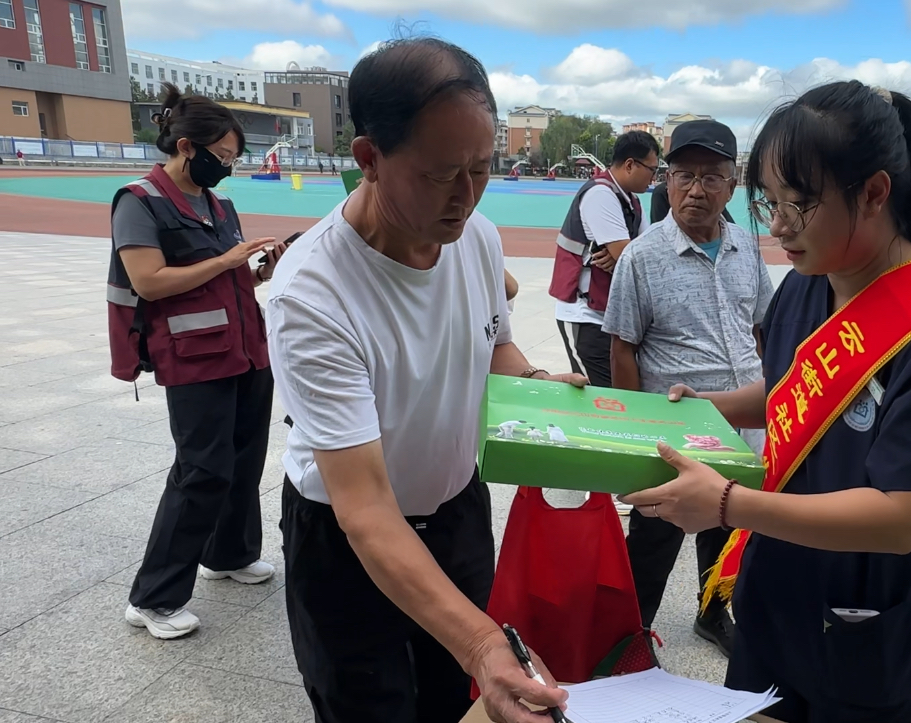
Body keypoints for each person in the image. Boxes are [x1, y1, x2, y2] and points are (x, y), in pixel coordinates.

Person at [621, 81, 911, 723]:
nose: (777, 227)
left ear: (875, 193)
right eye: (768, 202)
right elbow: (790, 393)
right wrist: (711, 404)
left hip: (869, 618)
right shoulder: (809, 281)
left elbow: (901, 518)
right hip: (779, 587)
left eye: (798, 205)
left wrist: (726, 504)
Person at [265, 38, 581, 723]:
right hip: (349, 538)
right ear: (369, 158)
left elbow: (492, 344)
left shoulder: (477, 237)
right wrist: (482, 644)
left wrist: (538, 383)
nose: (465, 197)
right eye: (441, 175)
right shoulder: (313, 295)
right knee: (367, 707)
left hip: (456, 508)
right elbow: (365, 508)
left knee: (453, 701)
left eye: (482, 169)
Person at [107, 84, 286, 640]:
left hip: (246, 349)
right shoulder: (138, 201)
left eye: (233, 159)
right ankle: (154, 598)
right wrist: (228, 260)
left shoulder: (218, 204)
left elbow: (224, 278)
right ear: (186, 146)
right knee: (201, 471)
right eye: (222, 156)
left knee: (244, 459)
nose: (227, 167)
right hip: (193, 357)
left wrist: (258, 271)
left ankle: (230, 553)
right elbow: (149, 281)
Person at [603, 119, 773, 656]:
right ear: (668, 181)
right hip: (673, 431)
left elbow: (761, 328)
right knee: (654, 537)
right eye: (684, 176)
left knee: (727, 524)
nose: (696, 189)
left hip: (741, 425)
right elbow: (623, 349)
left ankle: (711, 612)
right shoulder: (642, 256)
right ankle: (630, 635)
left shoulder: (747, 247)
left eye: (711, 177)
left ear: (732, 184)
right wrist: (636, 434)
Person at [549, 130, 660, 390]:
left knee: (622, 394)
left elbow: (646, 252)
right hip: (584, 316)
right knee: (601, 396)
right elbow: (631, 257)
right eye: (652, 170)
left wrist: (624, 254)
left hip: (609, 316)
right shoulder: (601, 194)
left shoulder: (631, 201)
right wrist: (623, 254)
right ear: (630, 165)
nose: (654, 178)